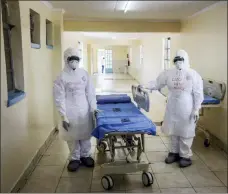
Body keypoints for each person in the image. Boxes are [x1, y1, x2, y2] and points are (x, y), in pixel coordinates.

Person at [140, 49, 204, 168]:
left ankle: (185, 155)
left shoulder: (193, 75)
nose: (179, 62)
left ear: (186, 60)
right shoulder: (168, 73)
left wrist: (196, 109)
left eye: (181, 60)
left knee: (186, 131)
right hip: (172, 105)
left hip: (187, 107)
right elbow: (157, 83)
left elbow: (198, 94)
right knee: (173, 130)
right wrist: (145, 86)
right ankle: (174, 152)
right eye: (177, 59)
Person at [53, 47, 98, 172]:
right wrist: (63, 116)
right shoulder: (61, 77)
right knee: (72, 137)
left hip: (84, 110)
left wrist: (93, 107)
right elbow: (59, 98)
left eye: (76, 59)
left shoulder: (84, 74)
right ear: (66, 60)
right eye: (71, 59)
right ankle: (74, 158)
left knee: (85, 135)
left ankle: (86, 155)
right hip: (69, 111)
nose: (74, 61)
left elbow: (90, 92)